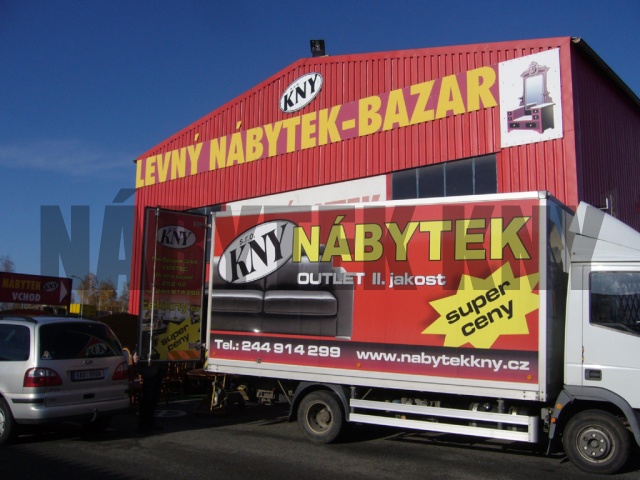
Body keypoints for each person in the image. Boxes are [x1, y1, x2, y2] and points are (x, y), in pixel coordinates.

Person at [136, 359, 167, 434]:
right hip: (149, 369)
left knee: (154, 397)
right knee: (148, 398)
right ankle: (143, 424)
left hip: (158, 369)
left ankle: (150, 421)